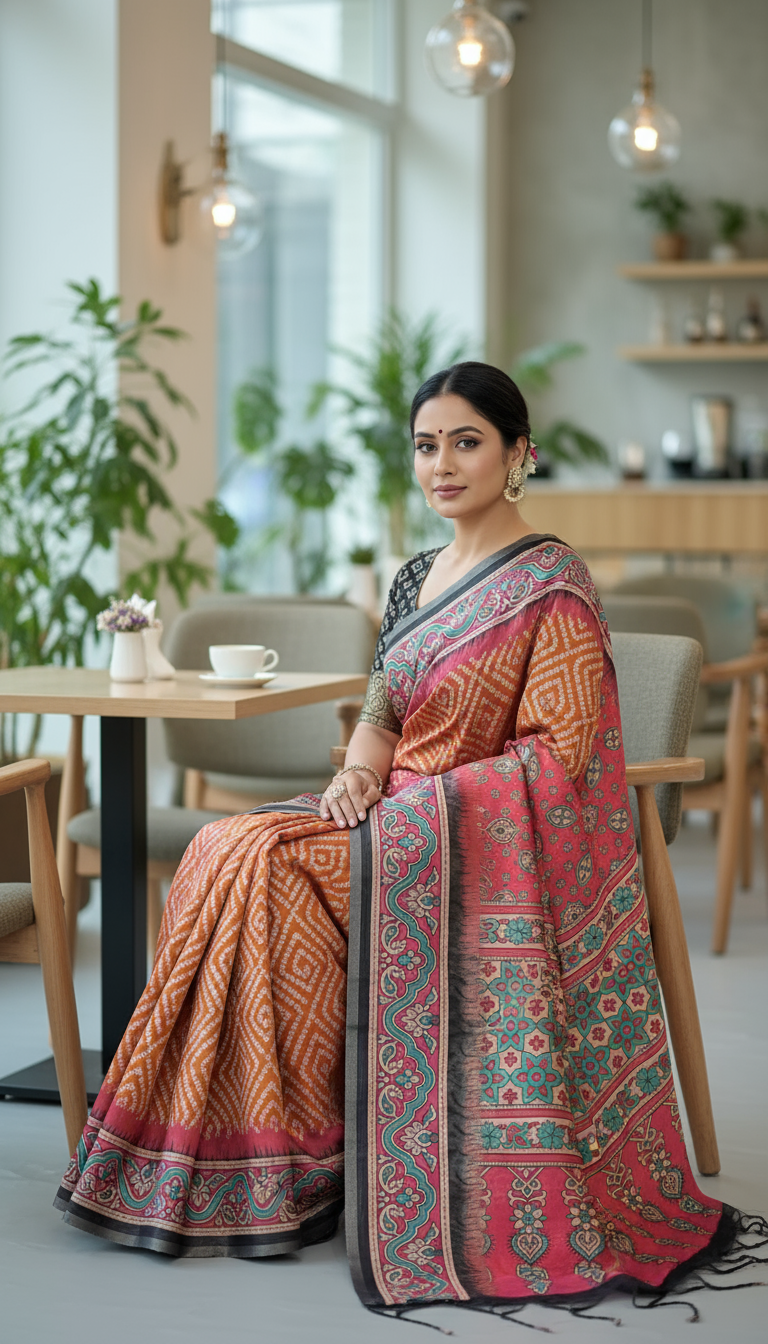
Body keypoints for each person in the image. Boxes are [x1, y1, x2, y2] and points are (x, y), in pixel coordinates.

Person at [56, 362, 763, 1316]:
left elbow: (562, 762)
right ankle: (276, 1161)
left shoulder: (552, 582)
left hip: (458, 845)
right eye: (427, 445)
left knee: (263, 862)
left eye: (466, 441)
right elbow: (383, 712)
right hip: (384, 814)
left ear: (520, 455)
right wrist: (355, 775)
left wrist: (418, 810)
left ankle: (284, 1165)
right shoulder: (417, 577)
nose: (442, 463)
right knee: (227, 846)